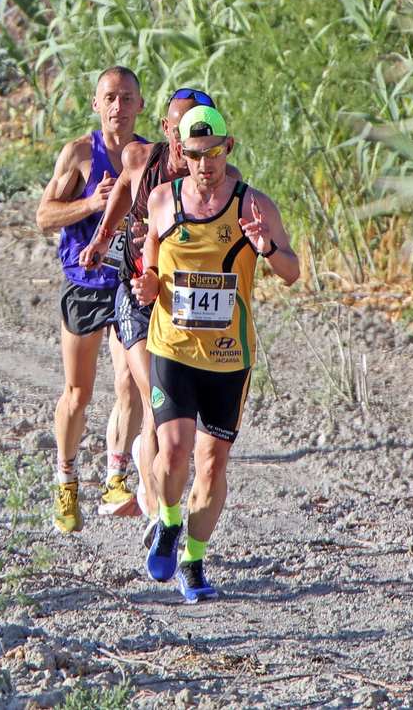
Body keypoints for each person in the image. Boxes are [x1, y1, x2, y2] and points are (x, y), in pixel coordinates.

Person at [128, 106, 298, 602]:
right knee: (175, 448)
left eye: (215, 154)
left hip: (228, 357)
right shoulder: (162, 201)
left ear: (228, 149)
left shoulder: (253, 205)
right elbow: (152, 266)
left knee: (211, 466)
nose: (206, 165)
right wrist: (146, 284)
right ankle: (168, 520)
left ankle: (194, 561)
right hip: (173, 347)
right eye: (196, 155)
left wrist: (266, 248)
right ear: (181, 153)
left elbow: (292, 272)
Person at [77, 89, 241, 522]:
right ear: (168, 129)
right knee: (156, 407)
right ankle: (155, 513)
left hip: (184, 308)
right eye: (178, 128)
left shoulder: (226, 179)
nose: (185, 140)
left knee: (180, 426)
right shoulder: (139, 158)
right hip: (137, 295)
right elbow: (122, 198)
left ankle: (157, 486)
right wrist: (100, 239)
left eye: (196, 132)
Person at [35, 67, 148, 532]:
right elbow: (44, 215)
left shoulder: (149, 157)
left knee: (130, 383)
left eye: (126, 98)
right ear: (96, 104)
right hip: (84, 282)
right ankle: (66, 480)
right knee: (78, 394)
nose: (118, 107)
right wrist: (91, 204)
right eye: (110, 98)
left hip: (126, 282)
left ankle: (116, 476)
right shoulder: (81, 155)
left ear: (140, 105)